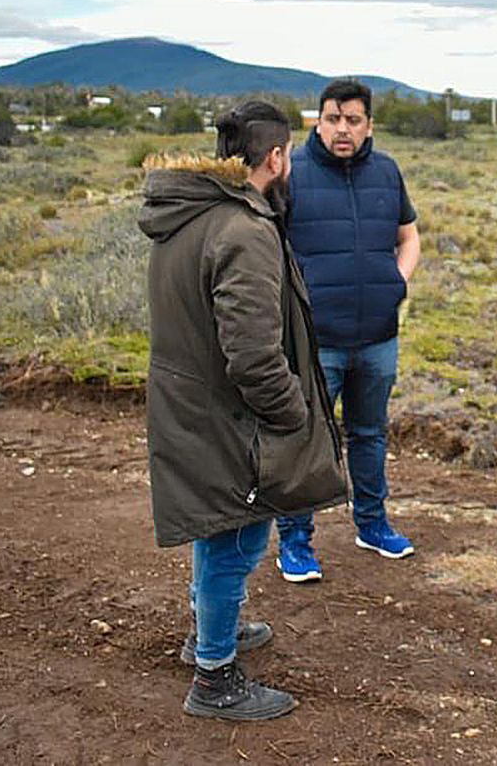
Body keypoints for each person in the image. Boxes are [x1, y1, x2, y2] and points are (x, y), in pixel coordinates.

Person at [138, 100, 347, 721]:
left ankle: (210, 630)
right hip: (229, 417)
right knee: (235, 534)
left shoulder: (190, 213)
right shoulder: (244, 229)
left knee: (217, 528)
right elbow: (253, 356)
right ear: (278, 157)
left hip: (195, 405)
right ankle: (214, 677)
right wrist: (294, 416)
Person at [275, 78, 422, 581]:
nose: (343, 129)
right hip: (316, 341)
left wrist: (393, 284)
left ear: (368, 125)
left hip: (378, 336)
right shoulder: (291, 173)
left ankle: (373, 524)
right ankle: (295, 540)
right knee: (307, 438)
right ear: (318, 120)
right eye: (333, 118)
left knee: (369, 434)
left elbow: (409, 237)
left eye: (353, 120)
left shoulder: (386, 171)